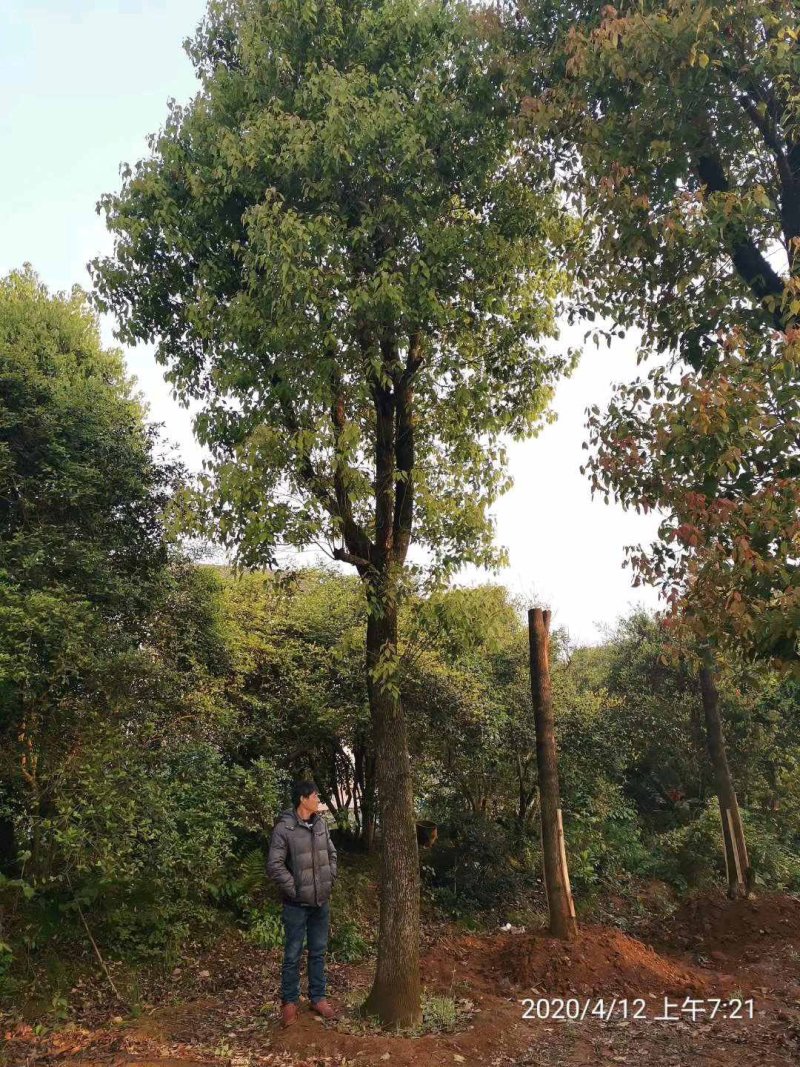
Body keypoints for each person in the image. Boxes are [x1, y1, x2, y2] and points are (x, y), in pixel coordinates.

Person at [266, 779, 338, 1028]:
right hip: (296, 905)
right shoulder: (284, 828)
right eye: (315, 796)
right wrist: (295, 890)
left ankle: (318, 998)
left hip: (320, 902)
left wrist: (330, 880)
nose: (318, 799)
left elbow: (332, 854)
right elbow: (274, 865)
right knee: (293, 954)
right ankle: (289, 1002)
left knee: (318, 952)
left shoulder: (321, 824)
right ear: (303, 799)